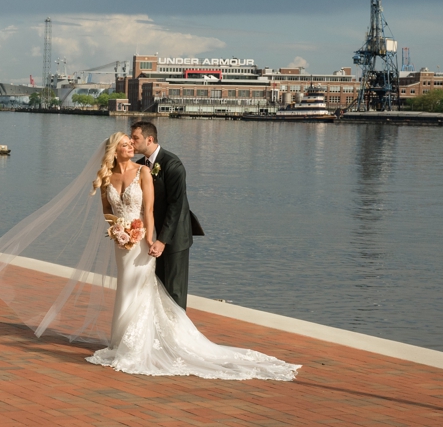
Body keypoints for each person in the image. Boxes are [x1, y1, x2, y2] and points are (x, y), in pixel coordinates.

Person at [83, 132, 299, 379]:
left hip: (141, 240)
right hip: (121, 244)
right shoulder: (107, 177)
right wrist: (117, 230)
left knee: (142, 289)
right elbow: (107, 212)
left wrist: (149, 238)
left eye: (132, 142)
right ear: (114, 150)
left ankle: (138, 343)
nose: (131, 146)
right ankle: (120, 342)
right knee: (124, 288)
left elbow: (150, 210)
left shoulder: (143, 171)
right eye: (125, 144)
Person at [128, 121, 203, 309]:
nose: (131, 141)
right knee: (156, 287)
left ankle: (177, 335)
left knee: (173, 290)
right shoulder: (138, 166)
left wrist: (162, 240)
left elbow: (176, 206)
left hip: (173, 236)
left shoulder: (172, 164)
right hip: (150, 236)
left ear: (149, 139)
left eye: (135, 138)